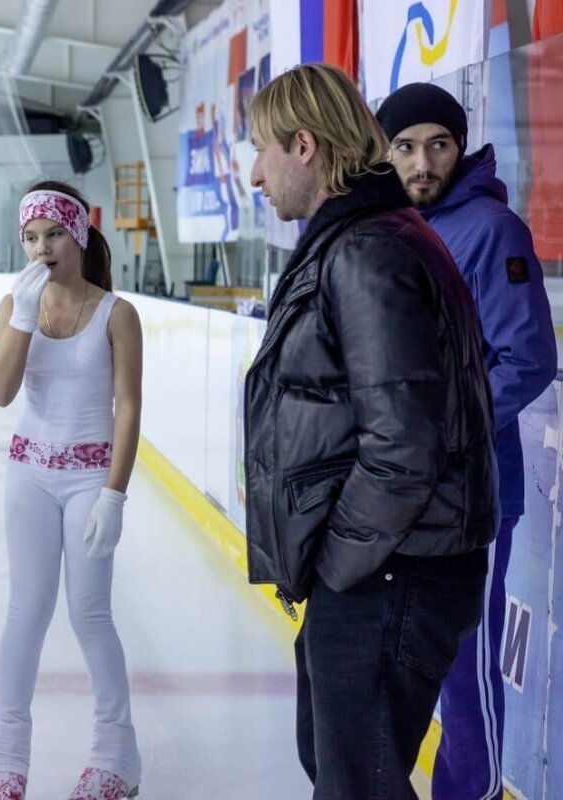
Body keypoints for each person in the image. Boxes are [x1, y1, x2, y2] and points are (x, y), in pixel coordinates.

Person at [244, 63, 499, 799]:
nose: (256, 173)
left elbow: (402, 445)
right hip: (387, 565)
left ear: (303, 146)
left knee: (357, 784)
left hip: (393, 569)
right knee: (343, 769)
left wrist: (337, 564)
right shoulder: (359, 239)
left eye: (262, 149)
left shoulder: (367, 251)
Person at [378, 82, 558, 800]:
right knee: (410, 658)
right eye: (405, 147)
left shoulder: (491, 229)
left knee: (464, 665)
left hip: (472, 493)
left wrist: (438, 433)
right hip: (402, 491)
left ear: (462, 146)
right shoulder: (399, 227)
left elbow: (528, 359)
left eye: (439, 145)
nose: (423, 162)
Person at [0, 182, 143, 800]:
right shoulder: (14, 303)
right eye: (30, 237)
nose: (41, 247)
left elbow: (127, 409)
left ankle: (116, 753)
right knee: (26, 610)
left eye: (52, 233)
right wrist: (21, 320)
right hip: (28, 472)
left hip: (88, 476)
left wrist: (114, 494)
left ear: (77, 233)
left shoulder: (116, 312)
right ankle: (6, 755)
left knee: (89, 612)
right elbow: (0, 393)